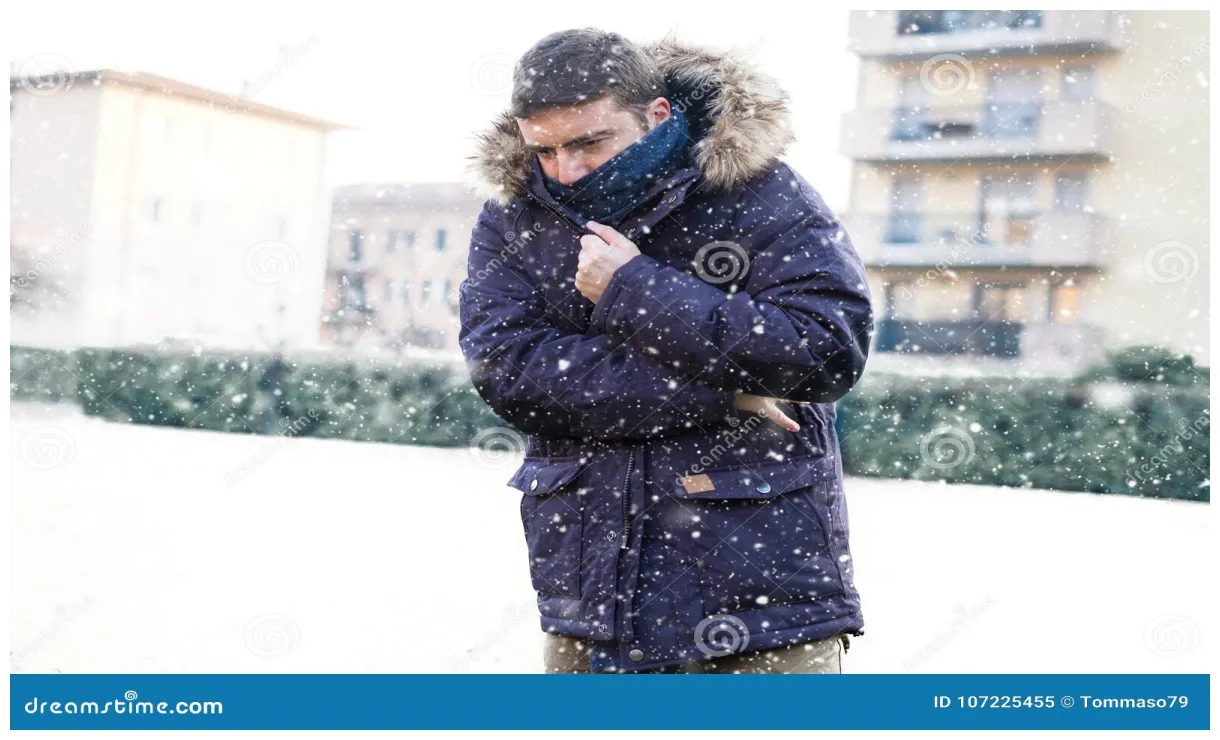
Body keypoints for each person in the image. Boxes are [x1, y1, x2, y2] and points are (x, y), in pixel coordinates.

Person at [459, 28, 874, 673]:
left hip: (763, 603)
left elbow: (827, 347)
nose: (566, 169)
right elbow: (512, 373)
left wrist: (632, 287)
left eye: (589, 142)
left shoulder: (761, 191)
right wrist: (723, 393)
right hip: (593, 603)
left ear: (656, 115)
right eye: (544, 149)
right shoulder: (513, 217)